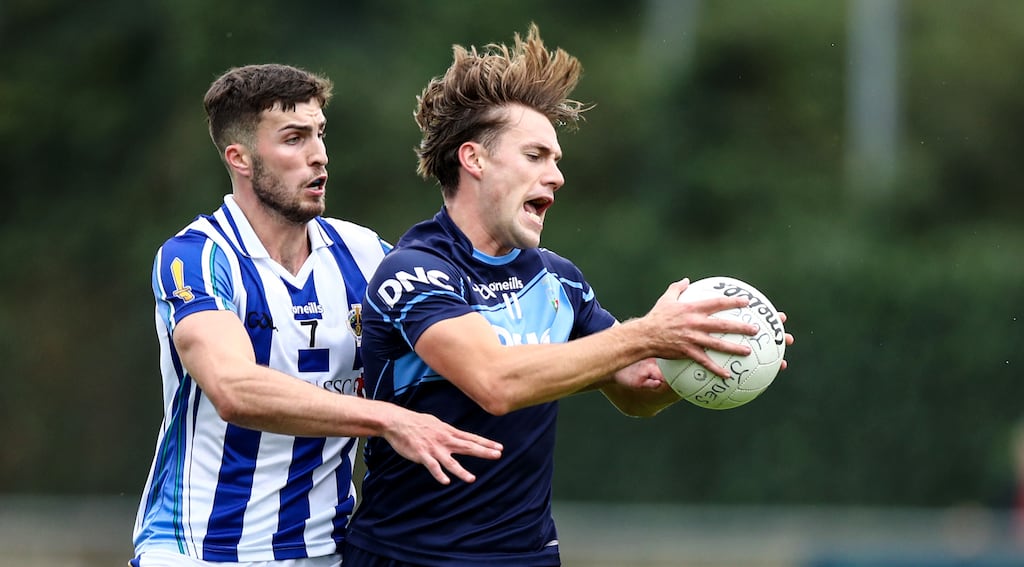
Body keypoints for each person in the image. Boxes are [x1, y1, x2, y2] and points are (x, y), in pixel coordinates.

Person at [343, 25, 794, 566]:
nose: (556, 177)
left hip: (527, 555)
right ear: (474, 159)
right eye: (536, 155)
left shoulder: (558, 278)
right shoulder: (414, 271)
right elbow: (495, 381)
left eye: (556, 160)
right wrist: (646, 334)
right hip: (414, 556)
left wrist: (705, 354)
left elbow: (635, 387)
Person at [130, 64, 502, 567]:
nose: (319, 154)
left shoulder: (366, 254)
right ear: (239, 158)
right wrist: (388, 419)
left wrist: (615, 350)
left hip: (328, 553)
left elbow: (476, 344)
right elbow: (234, 389)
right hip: (198, 553)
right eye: (293, 138)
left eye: (320, 134)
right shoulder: (197, 257)